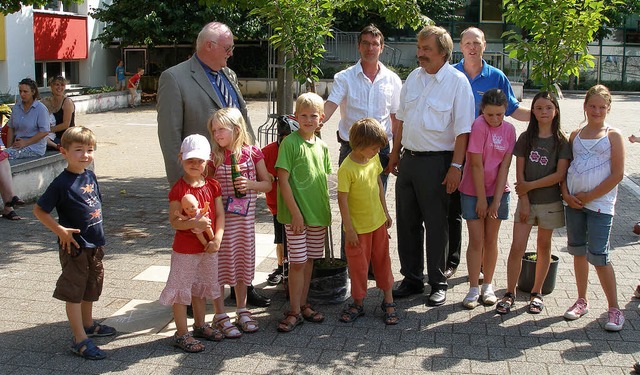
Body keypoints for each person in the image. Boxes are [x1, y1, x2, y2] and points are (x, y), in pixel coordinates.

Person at [157, 21, 266, 307]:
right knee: (202, 236)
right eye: (228, 48)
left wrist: (253, 161)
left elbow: (243, 121)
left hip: (236, 175)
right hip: (201, 181)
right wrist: (182, 190)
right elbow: (169, 137)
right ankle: (197, 297)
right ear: (209, 46)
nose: (231, 53)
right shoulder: (175, 78)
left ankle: (243, 286)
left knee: (237, 234)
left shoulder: (228, 73)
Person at [387, 25, 474, 306]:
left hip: (439, 163)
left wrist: (456, 167)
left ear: (443, 53)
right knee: (408, 223)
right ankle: (412, 278)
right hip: (409, 161)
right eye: (419, 47)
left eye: (426, 49)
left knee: (438, 224)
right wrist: (395, 153)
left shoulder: (458, 83)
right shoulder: (413, 77)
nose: (420, 54)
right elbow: (401, 119)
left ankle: (438, 281)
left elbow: (463, 132)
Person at [445, 26, 531, 280]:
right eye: (468, 42)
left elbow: (513, 110)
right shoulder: (450, 74)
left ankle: (483, 264)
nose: (472, 47)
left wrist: (540, 118)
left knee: (479, 213)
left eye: (477, 43)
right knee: (454, 208)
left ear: (484, 46)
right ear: (461, 46)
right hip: (455, 150)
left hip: (487, 155)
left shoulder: (496, 76)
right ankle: (452, 260)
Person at [33, 127, 116, 360]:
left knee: (91, 286)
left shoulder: (90, 175)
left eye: (90, 150)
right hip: (75, 247)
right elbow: (39, 210)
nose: (85, 155)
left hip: (95, 244)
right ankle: (79, 339)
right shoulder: (61, 183)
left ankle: (88, 324)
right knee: (74, 292)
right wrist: (59, 230)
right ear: (64, 152)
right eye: (78, 150)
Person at [496, 92, 570, 315]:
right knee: (517, 246)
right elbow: (519, 174)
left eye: (548, 107)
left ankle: (537, 292)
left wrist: (530, 186)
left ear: (555, 110)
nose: (543, 112)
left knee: (543, 247)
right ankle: (510, 292)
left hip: (550, 202)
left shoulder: (561, 141)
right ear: (533, 112)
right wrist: (524, 197)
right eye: (538, 108)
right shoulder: (525, 139)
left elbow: (559, 175)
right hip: (527, 202)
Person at [561, 84, 625, 331]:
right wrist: (567, 194)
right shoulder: (575, 135)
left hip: (600, 205)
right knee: (578, 252)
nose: (596, 111)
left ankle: (614, 308)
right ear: (585, 106)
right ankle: (581, 300)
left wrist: (589, 196)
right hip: (574, 204)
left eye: (602, 107)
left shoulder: (613, 136)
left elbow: (617, 174)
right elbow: (566, 169)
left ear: (608, 108)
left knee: (599, 255)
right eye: (592, 106)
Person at [207, 108, 272, 336]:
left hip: (244, 225)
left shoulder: (252, 153)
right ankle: (220, 314)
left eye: (220, 129)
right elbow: (206, 188)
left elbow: (268, 184)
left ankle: (242, 309)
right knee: (220, 267)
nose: (216, 134)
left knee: (243, 265)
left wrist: (251, 185)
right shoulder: (214, 157)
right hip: (223, 226)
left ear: (236, 129)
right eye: (213, 130)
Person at [159, 134, 225, 353]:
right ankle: (181, 333)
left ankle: (200, 324)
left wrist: (217, 238)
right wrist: (193, 223)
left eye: (199, 160)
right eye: (190, 160)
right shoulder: (179, 189)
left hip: (208, 248)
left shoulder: (213, 185)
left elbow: (220, 216)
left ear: (209, 158)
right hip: (185, 251)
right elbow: (175, 222)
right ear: (181, 158)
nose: (195, 165)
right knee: (181, 290)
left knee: (200, 289)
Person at [276, 93, 331, 332]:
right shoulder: (290, 143)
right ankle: (294, 310)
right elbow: (283, 180)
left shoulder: (323, 146)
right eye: (304, 115)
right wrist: (296, 213)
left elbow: (323, 181)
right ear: (296, 116)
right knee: (297, 262)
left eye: (313, 115)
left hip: (317, 215)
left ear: (322, 118)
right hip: (296, 217)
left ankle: (304, 304)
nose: (309, 120)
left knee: (309, 261)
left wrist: (326, 214)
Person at [323, 24, 402, 190]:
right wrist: (311, 119)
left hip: (380, 150)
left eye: (374, 44)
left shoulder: (393, 80)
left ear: (381, 48)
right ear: (359, 46)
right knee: (349, 200)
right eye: (365, 43)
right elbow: (330, 105)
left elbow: (396, 119)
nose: (370, 48)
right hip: (351, 148)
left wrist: (395, 151)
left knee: (377, 201)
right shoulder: (344, 77)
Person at [458, 89, 516, 309]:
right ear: (482, 110)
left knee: (491, 240)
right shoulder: (478, 126)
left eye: (499, 115)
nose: (495, 119)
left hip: (499, 192)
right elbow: (475, 164)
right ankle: (473, 287)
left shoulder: (510, 130)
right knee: (476, 239)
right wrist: (482, 199)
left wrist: (497, 200)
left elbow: (504, 167)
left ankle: (488, 286)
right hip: (473, 191)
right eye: (490, 114)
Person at [337, 118, 397, 325]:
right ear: (360, 144)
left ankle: (388, 300)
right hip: (358, 229)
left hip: (378, 223)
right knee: (358, 267)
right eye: (373, 148)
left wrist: (386, 211)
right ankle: (358, 302)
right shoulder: (347, 168)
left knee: (383, 261)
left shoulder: (373, 159)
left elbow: (379, 184)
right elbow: (342, 200)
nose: (376, 152)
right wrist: (349, 229)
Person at [262, 116, 298, 286]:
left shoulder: (299, 148)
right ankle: (280, 266)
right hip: (277, 204)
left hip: (298, 202)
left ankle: (296, 266)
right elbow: (257, 172)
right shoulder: (268, 151)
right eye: (284, 138)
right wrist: (265, 176)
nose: (288, 142)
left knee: (296, 237)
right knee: (281, 239)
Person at [3, 78, 49, 160]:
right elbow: (11, 127)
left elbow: (44, 131)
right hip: (18, 145)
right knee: (3, 156)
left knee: (5, 157)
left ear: (33, 92)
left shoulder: (40, 109)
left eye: (25, 92)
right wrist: (9, 147)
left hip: (34, 147)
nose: (22, 94)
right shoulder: (17, 107)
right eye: (20, 91)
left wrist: (26, 143)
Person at [48, 75, 76, 146]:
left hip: (66, 138)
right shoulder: (48, 101)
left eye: (62, 85)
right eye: (57, 85)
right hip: (53, 136)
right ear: (51, 86)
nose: (59, 87)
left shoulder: (67, 102)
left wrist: (47, 130)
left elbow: (66, 125)